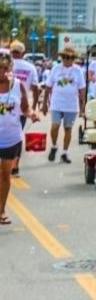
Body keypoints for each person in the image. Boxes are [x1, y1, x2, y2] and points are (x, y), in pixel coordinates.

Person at [0, 49, 39, 225]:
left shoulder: (17, 85)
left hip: (11, 138)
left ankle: (1, 211)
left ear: (10, 68)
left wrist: (31, 114)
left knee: (4, 175)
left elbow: (24, 108)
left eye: (5, 68)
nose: (1, 72)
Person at [42, 45, 86, 164]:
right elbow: (48, 87)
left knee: (68, 128)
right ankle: (54, 146)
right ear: (62, 57)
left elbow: (82, 89)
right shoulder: (56, 69)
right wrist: (44, 104)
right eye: (65, 57)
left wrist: (83, 106)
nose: (67, 59)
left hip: (71, 105)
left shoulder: (78, 71)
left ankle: (65, 153)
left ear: (73, 59)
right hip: (56, 103)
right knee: (55, 126)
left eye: (70, 58)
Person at [9, 41, 38, 177]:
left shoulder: (5, 66)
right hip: (21, 107)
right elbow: (35, 88)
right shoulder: (30, 68)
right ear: (24, 54)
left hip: (5, 106)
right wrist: (34, 106)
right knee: (17, 137)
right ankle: (15, 166)